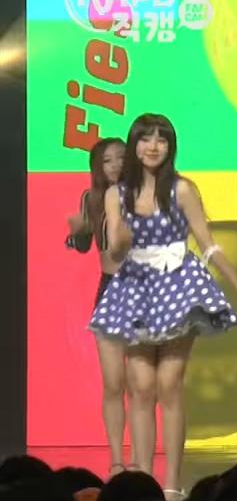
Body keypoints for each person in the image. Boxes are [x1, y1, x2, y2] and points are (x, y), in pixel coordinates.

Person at [89, 114, 237, 500]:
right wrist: (120, 238)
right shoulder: (118, 195)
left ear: (170, 147)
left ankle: (172, 481)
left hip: (179, 285)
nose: (153, 146)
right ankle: (143, 479)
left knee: (169, 384)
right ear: (134, 144)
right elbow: (116, 248)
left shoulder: (182, 189)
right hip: (135, 288)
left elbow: (208, 243)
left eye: (161, 139)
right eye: (146, 139)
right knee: (141, 386)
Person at [66, 136, 129, 476]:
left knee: (142, 383)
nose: (116, 164)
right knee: (114, 382)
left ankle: (141, 457)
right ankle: (117, 460)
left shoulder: (143, 196)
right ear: (97, 167)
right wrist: (78, 231)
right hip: (109, 289)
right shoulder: (90, 198)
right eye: (108, 160)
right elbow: (81, 245)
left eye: (121, 157)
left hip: (145, 289)